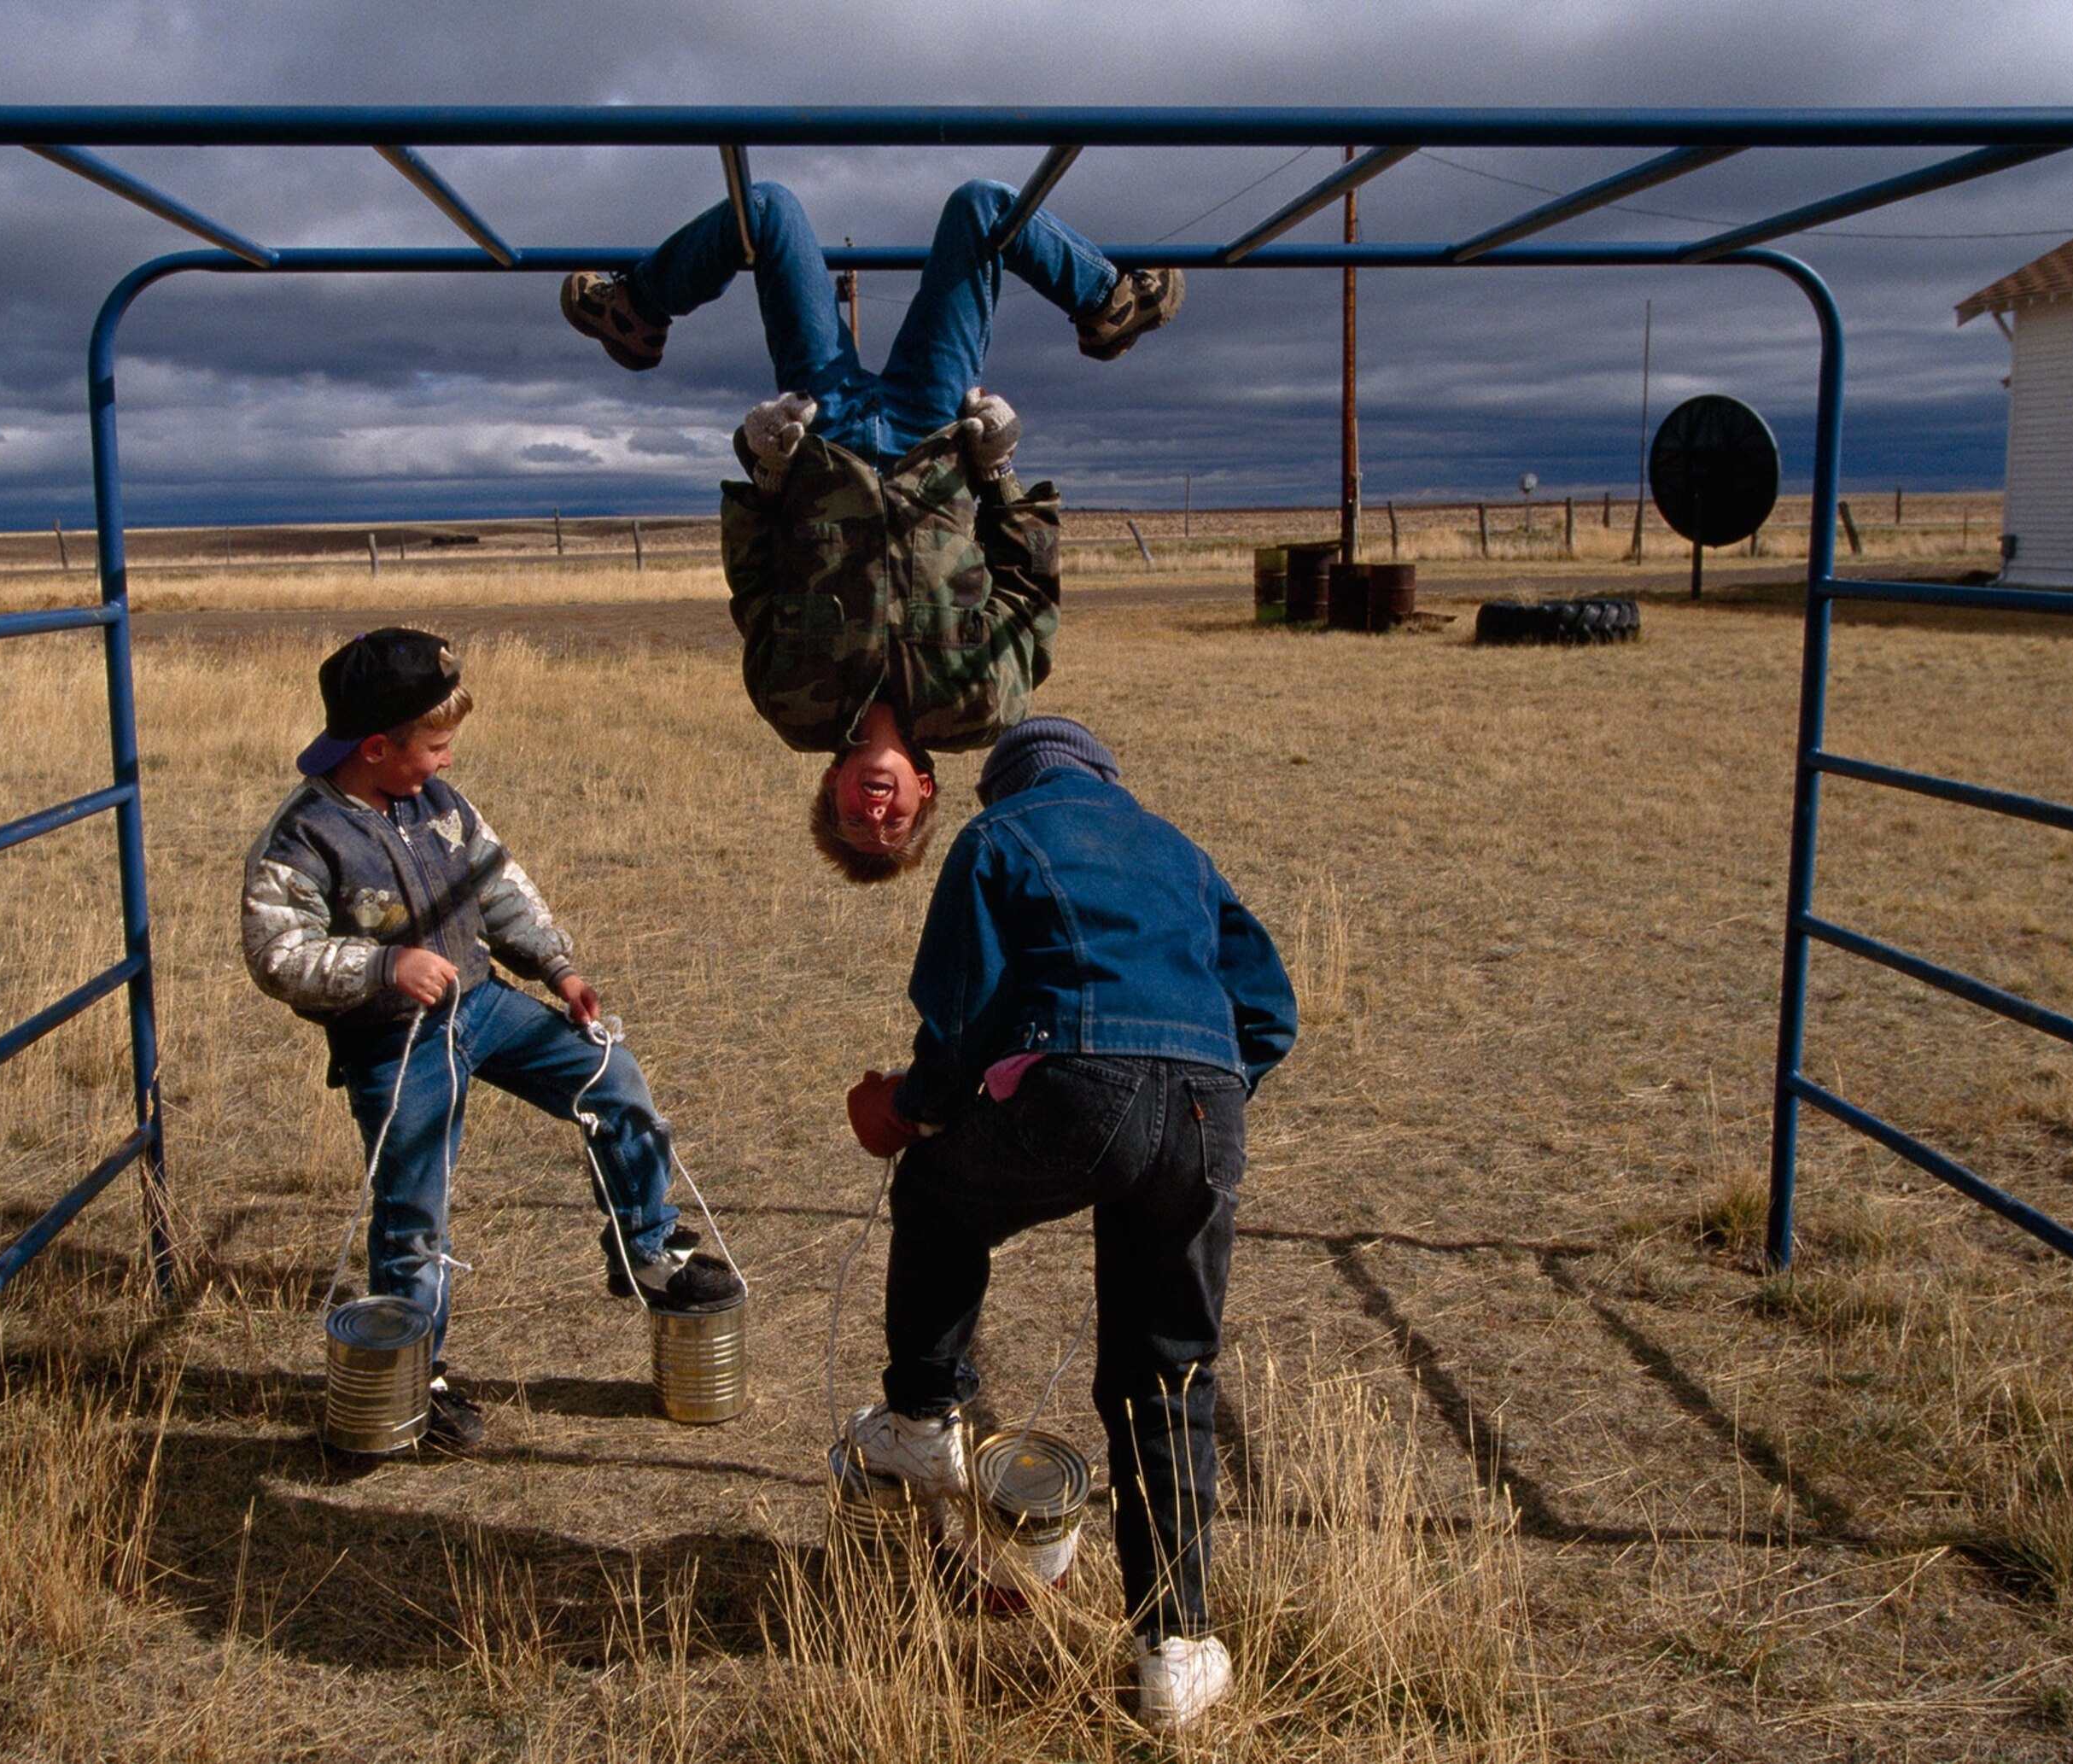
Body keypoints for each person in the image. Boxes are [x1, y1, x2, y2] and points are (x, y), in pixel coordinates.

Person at [836, 716, 1298, 1732]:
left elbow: (966, 1017)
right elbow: (1269, 1009)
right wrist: (1201, 1098)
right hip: (1210, 1106)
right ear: (1104, 775)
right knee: (1169, 1370)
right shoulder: (1178, 847)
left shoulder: (999, 836)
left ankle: (919, 1418)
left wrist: (908, 1105)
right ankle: (1174, 1646)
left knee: (937, 1193)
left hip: (1082, 1085)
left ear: (1007, 785)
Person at [561, 178, 1183, 881]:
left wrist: (767, 472)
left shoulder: (793, 704)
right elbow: (1029, 591)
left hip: (827, 433)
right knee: (982, 207)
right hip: (935, 434)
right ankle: (1108, 304)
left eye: (854, 820)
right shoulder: (980, 709)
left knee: (764, 210)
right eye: (894, 823)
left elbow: (755, 583)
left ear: (831, 788)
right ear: (928, 791)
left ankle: (634, 310)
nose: (875, 813)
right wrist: (1001, 472)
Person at [242, 627, 740, 1450]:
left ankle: (646, 1248)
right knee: (414, 1211)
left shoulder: (439, 805)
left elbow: (499, 885)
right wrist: (382, 968)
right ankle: (413, 1381)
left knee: (610, 1081)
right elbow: (277, 953)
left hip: (484, 1005)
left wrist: (559, 969)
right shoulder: (302, 839)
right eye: (434, 746)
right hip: (394, 1046)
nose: (444, 761)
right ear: (375, 746)